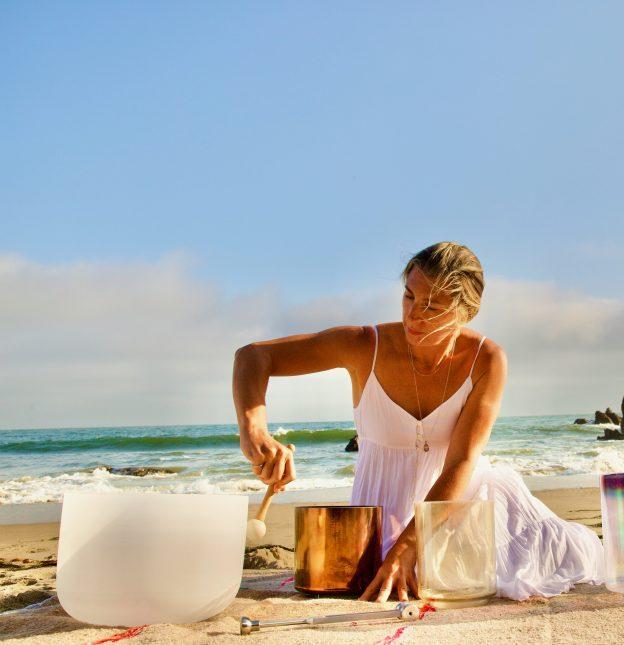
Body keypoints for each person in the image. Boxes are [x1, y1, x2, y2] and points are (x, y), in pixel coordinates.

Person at [233, 241, 605, 602]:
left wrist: (412, 544)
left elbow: (461, 461)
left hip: (458, 504)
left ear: (465, 312)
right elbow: (252, 358)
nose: (413, 314)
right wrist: (255, 430)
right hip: (377, 514)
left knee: (548, 561)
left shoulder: (486, 360)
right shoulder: (364, 345)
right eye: (409, 296)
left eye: (433, 306)